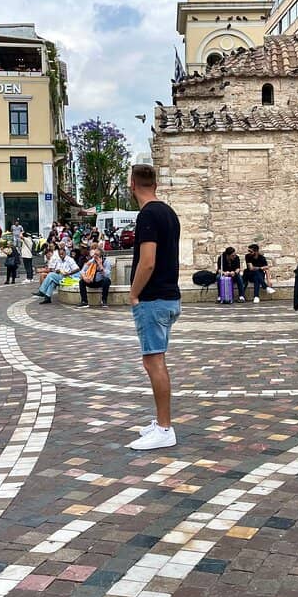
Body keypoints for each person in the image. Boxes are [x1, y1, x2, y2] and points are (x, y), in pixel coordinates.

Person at [127, 164, 181, 451]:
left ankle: (164, 428)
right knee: (156, 360)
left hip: (153, 299)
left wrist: (134, 294)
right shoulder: (168, 212)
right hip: (170, 295)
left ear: (132, 184)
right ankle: (160, 422)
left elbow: (147, 260)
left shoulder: (147, 215)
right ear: (155, 183)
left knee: (154, 362)